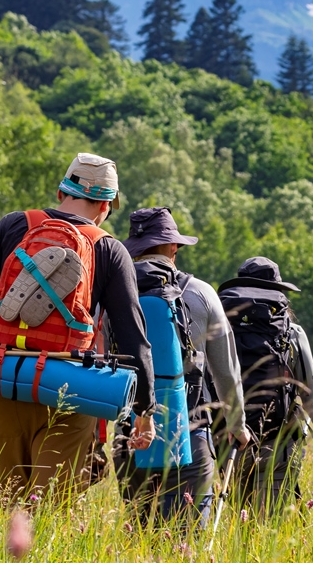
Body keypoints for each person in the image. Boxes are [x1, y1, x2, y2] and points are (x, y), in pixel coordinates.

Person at [0, 153, 156, 499]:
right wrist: (144, 410)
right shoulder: (110, 250)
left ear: (61, 193)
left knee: (11, 503)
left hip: (4, 380)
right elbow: (133, 338)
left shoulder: (12, 225)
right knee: (50, 509)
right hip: (71, 387)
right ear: (107, 206)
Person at [112, 207, 253, 524]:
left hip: (130, 434)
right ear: (173, 247)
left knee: (141, 533)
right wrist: (236, 424)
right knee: (186, 539)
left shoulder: (113, 293)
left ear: (134, 247)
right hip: (189, 431)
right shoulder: (202, 293)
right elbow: (225, 370)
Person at [219, 257, 313, 515]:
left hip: (230, 445)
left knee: (236, 529)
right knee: (268, 529)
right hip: (278, 447)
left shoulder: (220, 328)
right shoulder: (291, 333)